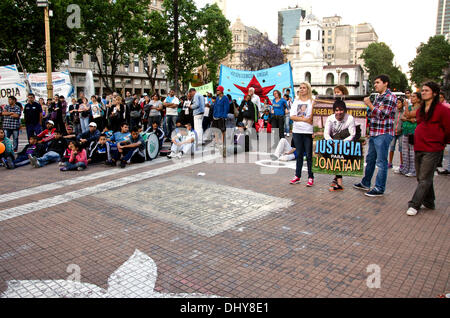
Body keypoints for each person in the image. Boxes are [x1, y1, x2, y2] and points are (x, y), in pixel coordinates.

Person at [406, 82, 450, 216]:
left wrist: (441, 142)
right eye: (422, 90)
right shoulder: (421, 109)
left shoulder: (442, 109)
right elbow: (412, 118)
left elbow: (448, 129)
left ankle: (414, 204)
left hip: (433, 148)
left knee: (424, 177)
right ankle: (430, 201)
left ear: (434, 93)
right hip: (419, 146)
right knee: (422, 177)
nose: (423, 92)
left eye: (426, 90)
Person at [354, 74, 397, 197]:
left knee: (381, 162)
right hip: (374, 132)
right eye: (375, 83)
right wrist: (372, 109)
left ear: (385, 83)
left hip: (383, 133)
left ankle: (379, 188)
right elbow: (373, 114)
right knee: (370, 159)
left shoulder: (390, 97)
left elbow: (383, 115)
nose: (375, 85)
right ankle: (366, 182)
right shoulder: (378, 97)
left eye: (378, 82)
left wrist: (370, 105)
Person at [324, 99, 356, 191]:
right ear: (334, 111)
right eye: (337, 110)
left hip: (345, 141)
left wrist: (341, 143)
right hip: (333, 141)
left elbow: (352, 134)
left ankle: (339, 182)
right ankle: (337, 179)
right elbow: (326, 133)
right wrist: (332, 142)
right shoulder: (330, 118)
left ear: (345, 110)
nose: (339, 112)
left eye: (341, 110)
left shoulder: (350, 118)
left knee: (339, 156)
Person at [290, 83, 315, 186]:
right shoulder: (296, 101)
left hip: (308, 131)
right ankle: (297, 176)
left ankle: (310, 177)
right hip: (297, 131)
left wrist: (307, 120)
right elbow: (292, 116)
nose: (302, 89)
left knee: (309, 155)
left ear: (308, 89)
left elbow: (313, 117)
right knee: (299, 154)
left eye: (304, 88)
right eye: (300, 88)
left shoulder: (312, 101)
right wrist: (305, 119)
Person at [397, 92, 421, 177]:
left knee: (412, 151)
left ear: (418, 99)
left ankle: (413, 170)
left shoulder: (419, 108)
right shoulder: (410, 107)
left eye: (414, 97)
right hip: (406, 131)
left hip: (413, 132)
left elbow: (407, 115)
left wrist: (406, 107)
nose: (411, 98)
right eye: (411, 96)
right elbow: (403, 117)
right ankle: (405, 168)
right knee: (405, 151)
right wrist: (410, 119)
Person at [388, 98, 405, 169]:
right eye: (397, 103)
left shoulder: (404, 112)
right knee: (391, 148)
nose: (398, 104)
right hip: (393, 132)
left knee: (401, 149)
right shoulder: (393, 111)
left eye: (399, 103)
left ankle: (402, 164)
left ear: (402, 104)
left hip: (401, 132)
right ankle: (390, 162)